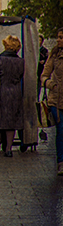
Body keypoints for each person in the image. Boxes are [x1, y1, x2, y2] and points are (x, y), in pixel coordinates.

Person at [40, 28, 63, 175]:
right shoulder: (54, 55)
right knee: (61, 131)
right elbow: (44, 75)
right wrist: (49, 84)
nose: (58, 40)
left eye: (61, 37)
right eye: (58, 37)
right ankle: (61, 162)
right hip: (57, 100)